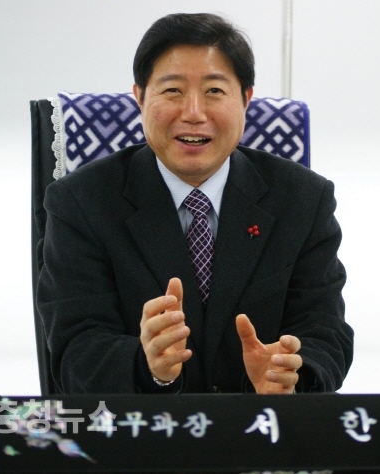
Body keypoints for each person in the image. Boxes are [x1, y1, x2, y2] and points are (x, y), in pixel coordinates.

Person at [37, 12, 353, 395]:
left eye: (214, 91)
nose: (193, 113)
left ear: (246, 99)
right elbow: (75, 350)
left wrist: (291, 377)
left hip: (262, 426)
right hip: (142, 429)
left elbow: (326, 332)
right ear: (139, 97)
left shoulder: (304, 200)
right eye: (173, 90)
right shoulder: (81, 202)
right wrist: (149, 367)